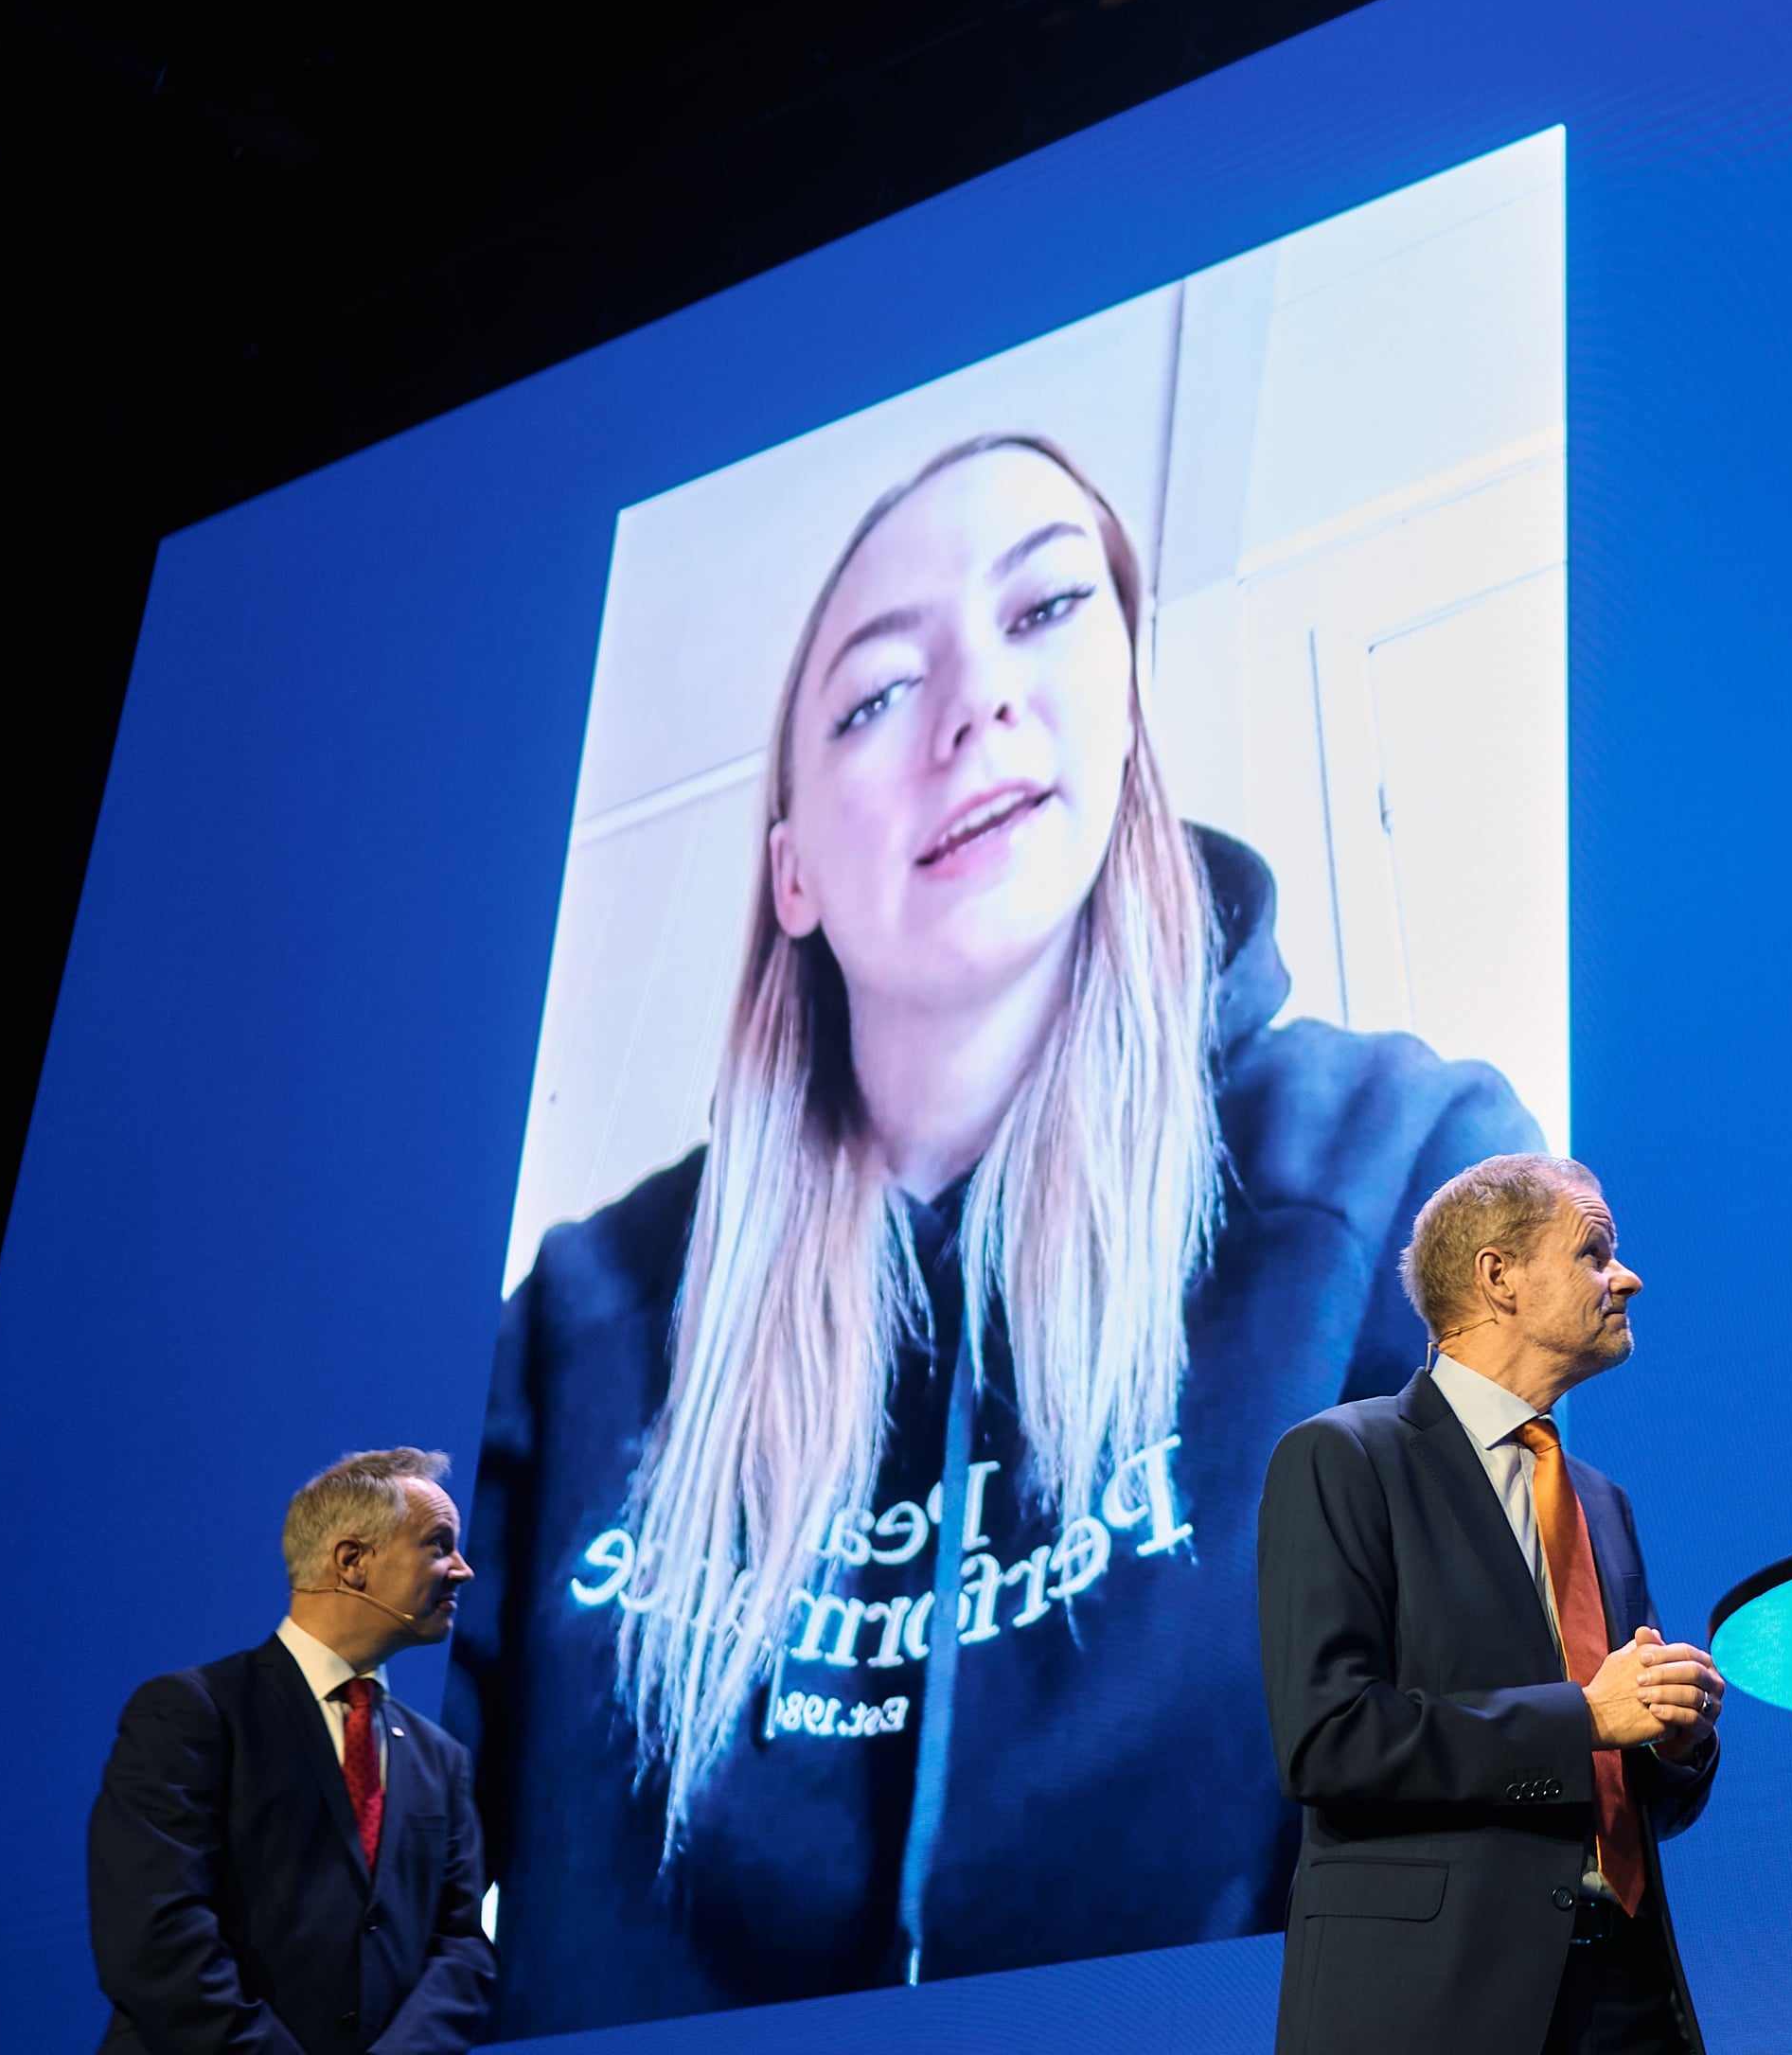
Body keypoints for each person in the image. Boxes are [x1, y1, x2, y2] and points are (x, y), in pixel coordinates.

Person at [452, 434, 1543, 2033]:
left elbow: (1540, 1829)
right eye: (878, 694)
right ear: (792, 871)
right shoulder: (577, 1328)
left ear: (1126, 713)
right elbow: (329, 1868)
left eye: (1044, 611)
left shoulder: (1404, 1174)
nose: (975, 707)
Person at [1259, 1153, 1726, 2055]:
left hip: (1628, 1993)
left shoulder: (1600, 1500)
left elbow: (1620, 1793)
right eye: (1594, 1253)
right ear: (1498, 1277)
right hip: (1435, 2001)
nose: (1627, 1277)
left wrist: (1670, 1742)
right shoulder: (1344, 1457)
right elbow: (1330, 1741)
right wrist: (1587, 1716)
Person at [88, 1448, 497, 2055]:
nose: (463, 1569)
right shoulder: (193, 1714)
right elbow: (157, 1936)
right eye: (439, 1545)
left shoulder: (442, 1759)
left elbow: (462, 1948)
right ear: (352, 1562)